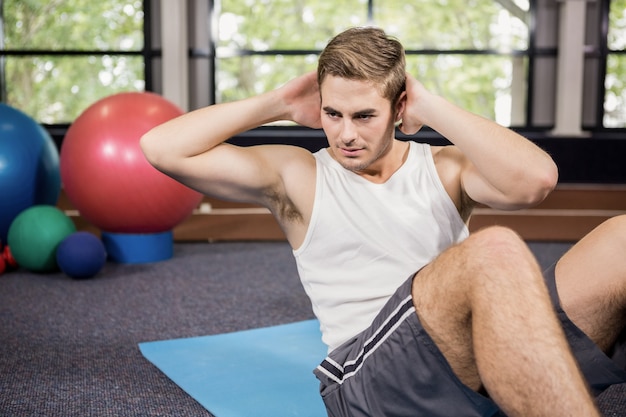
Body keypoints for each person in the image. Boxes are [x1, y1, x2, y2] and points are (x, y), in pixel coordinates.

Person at [140, 27, 626, 416]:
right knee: (493, 251)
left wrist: (430, 106)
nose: (345, 134)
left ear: (398, 108)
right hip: (366, 380)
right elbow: (160, 149)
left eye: (364, 115)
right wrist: (279, 104)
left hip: (473, 356)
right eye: (333, 113)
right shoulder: (299, 177)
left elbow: (537, 180)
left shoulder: (443, 168)